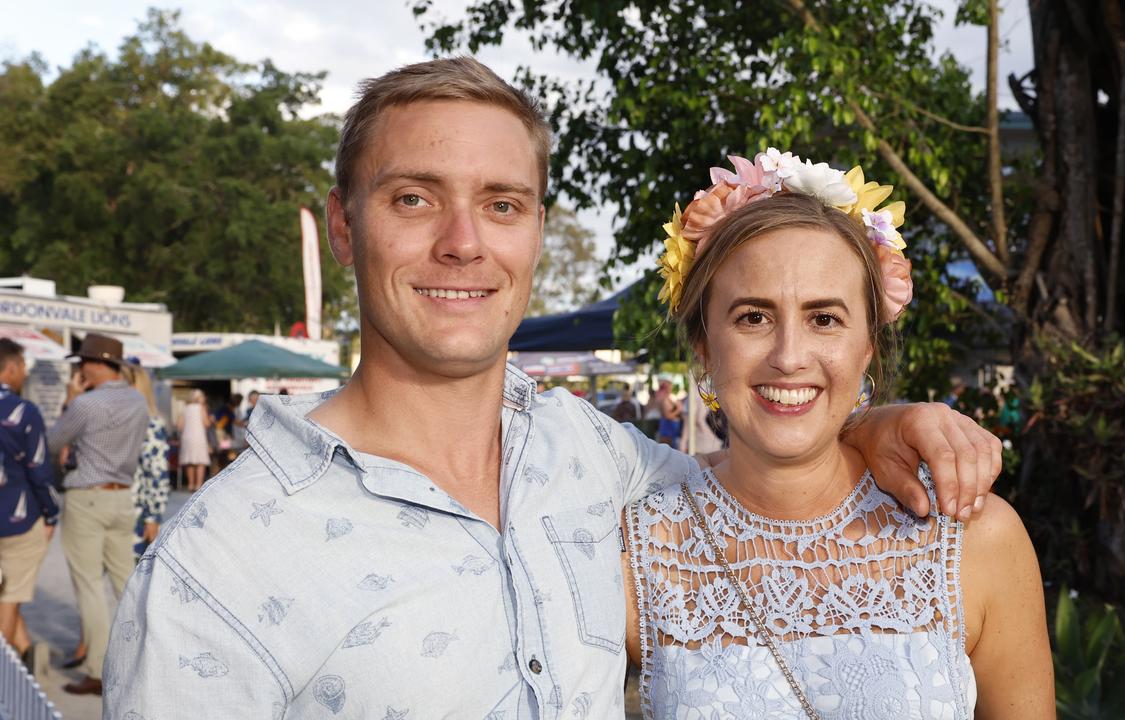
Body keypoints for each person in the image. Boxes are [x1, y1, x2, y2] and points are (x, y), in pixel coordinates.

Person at [104, 58, 1002, 717]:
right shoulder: (212, 565)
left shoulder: (602, 463)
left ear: (534, 229)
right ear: (344, 227)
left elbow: (771, 475)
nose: (464, 242)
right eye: (414, 198)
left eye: (501, 204)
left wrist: (873, 425)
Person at [623, 154, 1053, 717]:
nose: (789, 357)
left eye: (824, 318)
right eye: (753, 317)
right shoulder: (639, 554)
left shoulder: (976, 540)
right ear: (705, 344)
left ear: (867, 345)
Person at [47, 332, 150, 696]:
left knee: (89, 585)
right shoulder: (139, 402)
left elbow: (53, 442)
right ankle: (140, 661)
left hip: (87, 497)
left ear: (94, 363)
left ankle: (97, 668)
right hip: (122, 497)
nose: (79, 369)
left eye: (81, 363)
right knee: (126, 584)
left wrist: (71, 398)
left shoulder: (86, 404)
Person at [0, 338, 58, 670]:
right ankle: (6, 675)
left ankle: (25, 654)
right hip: (17, 520)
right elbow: (39, 469)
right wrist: (51, 514)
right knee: (9, 599)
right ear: (11, 368)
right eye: (23, 366)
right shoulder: (25, 411)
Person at [123, 366, 169, 558]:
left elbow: (156, 473)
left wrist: (153, 516)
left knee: (129, 579)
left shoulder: (149, 422)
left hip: (135, 513)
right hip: (116, 508)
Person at [177, 389, 211, 491]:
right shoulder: (201, 408)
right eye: (202, 396)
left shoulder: (185, 408)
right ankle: (198, 485)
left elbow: (179, 426)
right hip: (199, 436)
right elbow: (206, 423)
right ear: (198, 398)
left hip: (187, 437)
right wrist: (211, 420)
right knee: (200, 461)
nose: (204, 398)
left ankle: (190, 484)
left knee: (190, 461)